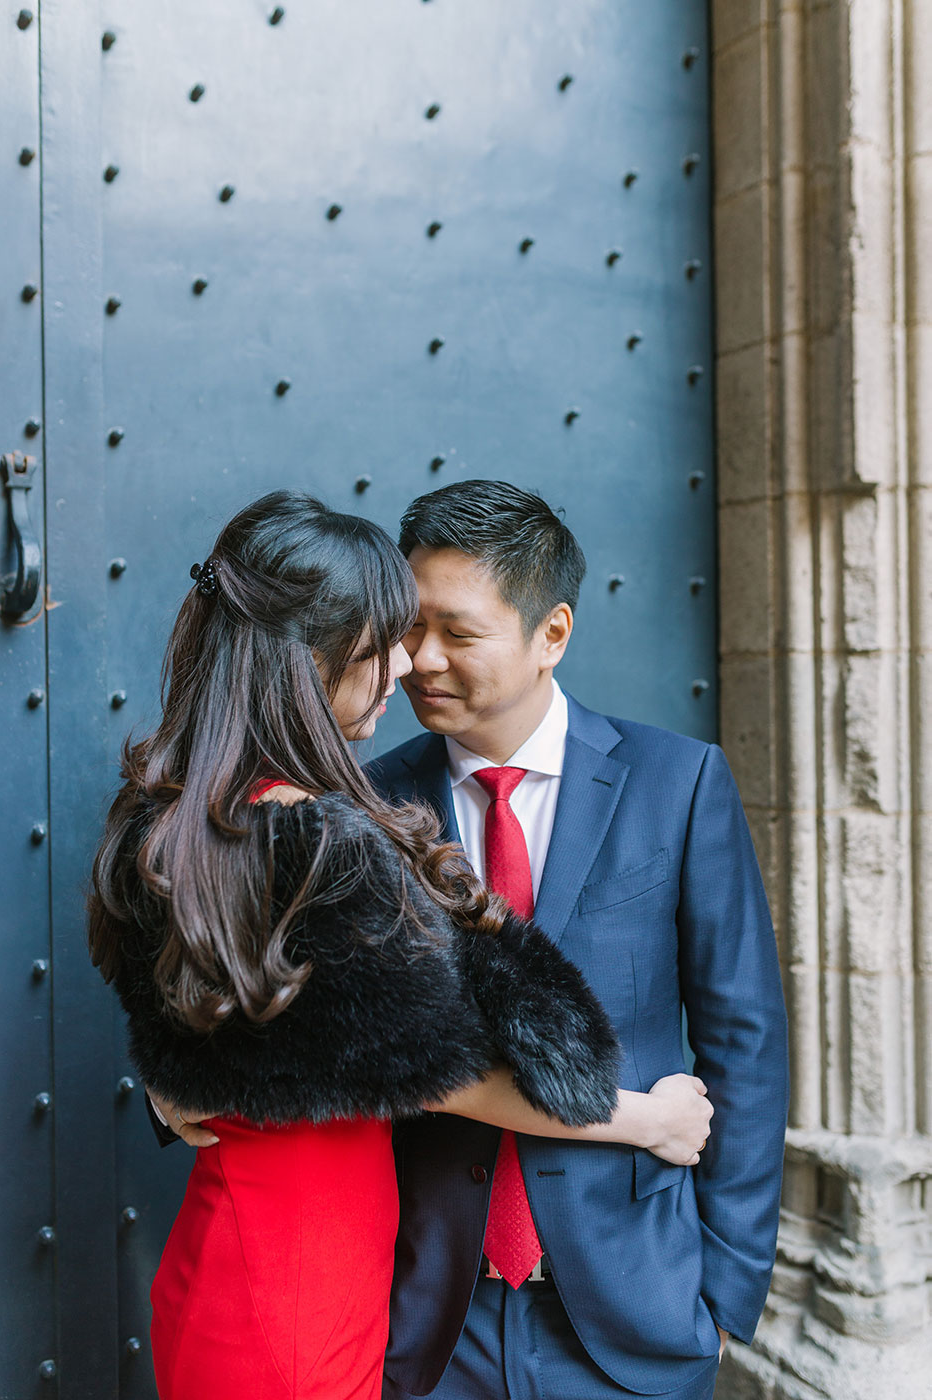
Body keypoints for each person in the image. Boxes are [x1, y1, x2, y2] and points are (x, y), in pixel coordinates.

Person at [89, 490, 714, 1400]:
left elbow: (267, 1025)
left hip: (275, 1253)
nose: (404, 666)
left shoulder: (186, 814)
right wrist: (645, 1119)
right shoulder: (311, 840)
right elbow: (435, 1072)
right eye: (385, 639)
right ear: (312, 659)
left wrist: (180, 1081)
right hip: (298, 1284)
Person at [364, 480, 790, 1400]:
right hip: (429, 1319)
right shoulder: (369, 805)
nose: (418, 661)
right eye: (408, 629)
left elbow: (744, 1040)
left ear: (551, 632)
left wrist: (721, 1292)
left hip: (638, 1309)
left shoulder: (676, 782)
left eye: (456, 632)